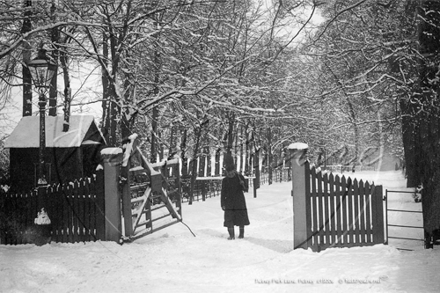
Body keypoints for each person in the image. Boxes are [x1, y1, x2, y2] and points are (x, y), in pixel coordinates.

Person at [221, 153, 250, 240]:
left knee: (240, 217)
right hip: (229, 201)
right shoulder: (225, 181)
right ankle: (231, 235)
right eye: (228, 173)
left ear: (234, 171)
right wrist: (222, 203)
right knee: (229, 218)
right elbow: (223, 192)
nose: (230, 174)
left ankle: (241, 234)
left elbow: (246, 189)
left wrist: (243, 184)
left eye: (232, 172)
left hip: (239, 200)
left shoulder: (239, 177)